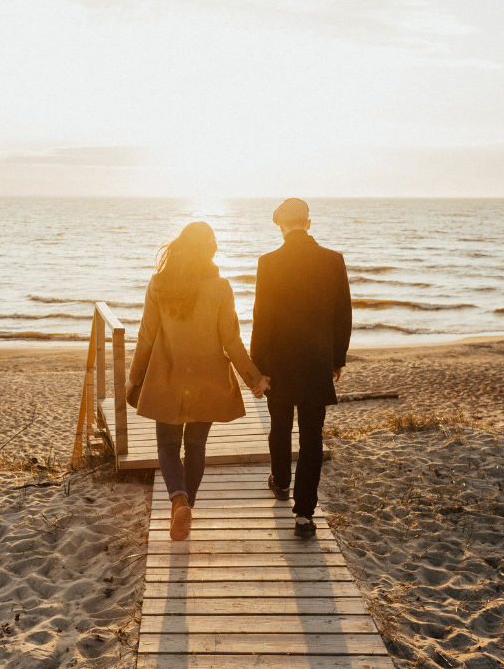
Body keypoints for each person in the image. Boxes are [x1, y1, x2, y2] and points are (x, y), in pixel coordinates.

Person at [125, 221, 268, 541]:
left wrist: (134, 378)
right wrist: (254, 380)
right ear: (210, 251)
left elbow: (146, 337)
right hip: (209, 379)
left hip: (167, 377)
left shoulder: (159, 284)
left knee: (166, 445)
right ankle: (186, 504)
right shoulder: (221, 287)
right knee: (196, 445)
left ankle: (178, 501)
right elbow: (232, 342)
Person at [250, 198, 352, 538]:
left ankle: (280, 481)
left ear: (281, 226)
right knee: (311, 438)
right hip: (316, 362)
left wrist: (258, 368)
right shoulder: (333, 260)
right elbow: (343, 315)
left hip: (278, 363)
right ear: (308, 223)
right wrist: (337, 359)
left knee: (279, 427)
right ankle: (304, 514)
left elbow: (261, 319)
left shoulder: (268, 262)